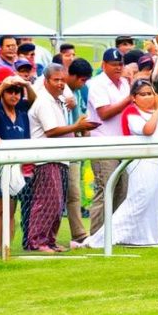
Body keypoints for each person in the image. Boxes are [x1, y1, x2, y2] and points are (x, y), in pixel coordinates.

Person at [77, 80, 158, 249]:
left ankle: (146, 238)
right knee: (137, 200)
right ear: (134, 98)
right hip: (141, 162)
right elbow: (147, 130)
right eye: (144, 94)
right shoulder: (131, 112)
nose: (148, 97)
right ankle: (99, 239)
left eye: (150, 93)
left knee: (157, 200)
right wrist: (157, 111)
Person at [27, 63, 96, 252]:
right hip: (46, 158)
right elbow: (51, 131)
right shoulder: (43, 101)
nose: (60, 84)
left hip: (59, 157)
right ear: (46, 81)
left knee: (57, 202)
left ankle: (49, 240)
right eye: (56, 80)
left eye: (63, 81)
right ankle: (38, 241)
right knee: (47, 201)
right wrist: (77, 127)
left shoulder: (57, 102)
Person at [0, 73, 36, 251]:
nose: (14, 95)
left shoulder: (21, 109)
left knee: (12, 209)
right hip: (0, 165)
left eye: (17, 92)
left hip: (20, 166)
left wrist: (26, 85)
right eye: (9, 92)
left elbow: (34, 102)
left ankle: (7, 246)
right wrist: (0, 87)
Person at [85, 48, 132, 235]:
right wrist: (129, 99)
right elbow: (104, 113)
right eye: (114, 64)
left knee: (122, 190)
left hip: (123, 145)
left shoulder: (125, 84)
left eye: (120, 64)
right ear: (104, 65)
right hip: (103, 143)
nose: (118, 68)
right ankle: (97, 236)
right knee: (105, 190)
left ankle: (114, 234)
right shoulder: (98, 84)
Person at [63, 58, 93, 243]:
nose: (83, 84)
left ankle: (79, 233)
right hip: (63, 146)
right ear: (71, 75)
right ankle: (79, 234)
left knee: (74, 192)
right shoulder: (65, 93)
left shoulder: (79, 91)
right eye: (81, 80)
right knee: (72, 193)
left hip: (75, 144)